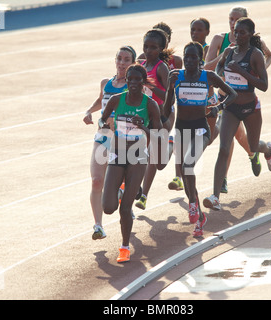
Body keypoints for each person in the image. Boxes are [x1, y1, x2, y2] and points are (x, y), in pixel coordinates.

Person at [163, 41, 237, 237]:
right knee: (187, 179)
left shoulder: (208, 76)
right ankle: (199, 217)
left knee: (187, 166)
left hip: (201, 130)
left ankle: (193, 204)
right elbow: (165, 110)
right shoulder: (176, 76)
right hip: (181, 131)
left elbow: (232, 93)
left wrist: (218, 107)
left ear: (200, 60)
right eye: (186, 57)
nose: (189, 61)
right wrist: (170, 88)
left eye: (193, 57)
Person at [203, 17, 271, 211]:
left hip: (251, 107)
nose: (237, 35)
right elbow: (219, 73)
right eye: (235, 32)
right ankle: (215, 196)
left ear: (251, 34)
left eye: (242, 32)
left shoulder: (255, 55)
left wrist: (241, 72)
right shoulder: (228, 52)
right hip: (230, 107)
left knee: (253, 146)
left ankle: (267, 150)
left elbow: (264, 85)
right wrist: (222, 65)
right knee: (223, 149)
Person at [100, 64, 163, 263]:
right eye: (130, 79)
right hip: (118, 153)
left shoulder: (150, 104)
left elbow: (158, 133)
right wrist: (108, 126)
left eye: (138, 80)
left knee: (125, 209)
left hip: (137, 157)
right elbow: (102, 121)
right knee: (108, 207)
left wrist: (143, 127)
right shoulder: (116, 100)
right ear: (126, 80)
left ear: (143, 83)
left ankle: (124, 248)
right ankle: (124, 189)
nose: (133, 83)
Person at [83, 46, 136, 240]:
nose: (122, 63)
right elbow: (100, 100)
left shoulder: (134, 87)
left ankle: (126, 201)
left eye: (127, 60)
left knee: (120, 183)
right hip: (103, 137)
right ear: (115, 60)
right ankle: (98, 226)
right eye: (119, 59)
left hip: (124, 141)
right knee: (97, 181)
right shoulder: (106, 83)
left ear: (133, 63)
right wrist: (89, 111)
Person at [135, 28, 171, 210]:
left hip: (160, 118)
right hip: (142, 117)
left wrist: (148, 84)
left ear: (161, 49)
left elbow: (167, 95)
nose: (148, 51)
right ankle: (142, 195)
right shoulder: (140, 65)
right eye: (146, 46)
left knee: (159, 163)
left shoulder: (161, 68)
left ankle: (170, 147)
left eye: (153, 48)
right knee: (141, 154)